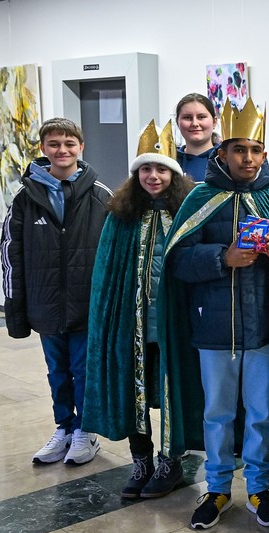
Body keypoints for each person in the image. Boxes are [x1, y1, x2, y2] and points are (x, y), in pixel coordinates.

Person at [158, 98, 269, 530]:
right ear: (222, 151)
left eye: (256, 150)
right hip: (214, 329)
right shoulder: (202, 197)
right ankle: (218, 486)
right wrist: (223, 257)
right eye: (240, 149)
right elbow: (177, 260)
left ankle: (259, 488)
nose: (248, 158)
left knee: (262, 413)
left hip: (263, 329)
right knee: (217, 413)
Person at [83, 120, 194, 498]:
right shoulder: (120, 217)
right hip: (131, 325)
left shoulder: (187, 213)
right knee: (136, 393)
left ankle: (171, 462)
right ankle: (141, 460)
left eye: (161, 168)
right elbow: (106, 274)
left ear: (173, 174)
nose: (152, 175)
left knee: (172, 392)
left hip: (174, 325)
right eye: (145, 168)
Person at [1, 117, 111, 466]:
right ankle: (63, 427)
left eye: (69, 144)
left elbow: (114, 254)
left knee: (83, 369)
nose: (62, 150)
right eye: (54, 144)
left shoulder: (101, 195)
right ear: (43, 149)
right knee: (57, 372)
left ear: (81, 147)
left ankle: (85, 432)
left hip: (85, 305)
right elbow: (10, 253)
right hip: (46, 304)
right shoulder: (24, 198)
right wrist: (16, 306)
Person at [175, 93, 219, 182]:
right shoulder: (170, 162)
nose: (195, 123)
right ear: (177, 122)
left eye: (201, 117)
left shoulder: (227, 159)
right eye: (187, 117)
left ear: (214, 122)